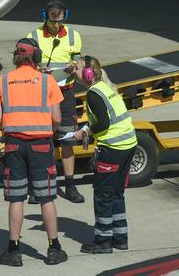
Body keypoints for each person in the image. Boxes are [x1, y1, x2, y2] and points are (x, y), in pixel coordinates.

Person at [0, 38, 68, 267]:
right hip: (41, 146)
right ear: (36, 57)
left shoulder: (2, 82)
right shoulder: (48, 81)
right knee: (46, 197)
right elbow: (56, 118)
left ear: (16, 56)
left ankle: (13, 250)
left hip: (14, 145)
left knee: (16, 198)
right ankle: (54, 248)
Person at [72, 56, 137, 254]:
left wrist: (84, 133)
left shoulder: (93, 94)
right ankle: (120, 237)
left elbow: (103, 124)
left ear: (88, 74)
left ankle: (102, 241)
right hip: (128, 145)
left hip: (113, 149)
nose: (74, 70)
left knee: (103, 195)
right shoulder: (106, 87)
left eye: (77, 68)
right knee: (117, 193)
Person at [25, 0, 84, 203]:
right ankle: (40, 184)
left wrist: (73, 68)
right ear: (44, 17)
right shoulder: (33, 36)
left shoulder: (74, 36)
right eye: (52, 22)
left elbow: (78, 61)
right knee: (41, 140)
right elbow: (24, 63)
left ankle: (70, 185)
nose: (56, 26)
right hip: (41, 94)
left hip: (65, 93)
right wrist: (37, 69)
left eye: (59, 21)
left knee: (67, 140)